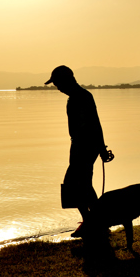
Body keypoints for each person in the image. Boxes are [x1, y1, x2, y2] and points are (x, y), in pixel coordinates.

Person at [46, 65, 114, 237]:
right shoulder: (76, 97)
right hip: (79, 145)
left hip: (85, 146)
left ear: (66, 80)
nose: (57, 87)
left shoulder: (82, 97)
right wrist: (100, 148)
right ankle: (94, 221)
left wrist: (101, 148)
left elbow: (95, 124)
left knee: (77, 185)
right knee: (81, 185)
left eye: (57, 83)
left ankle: (93, 222)